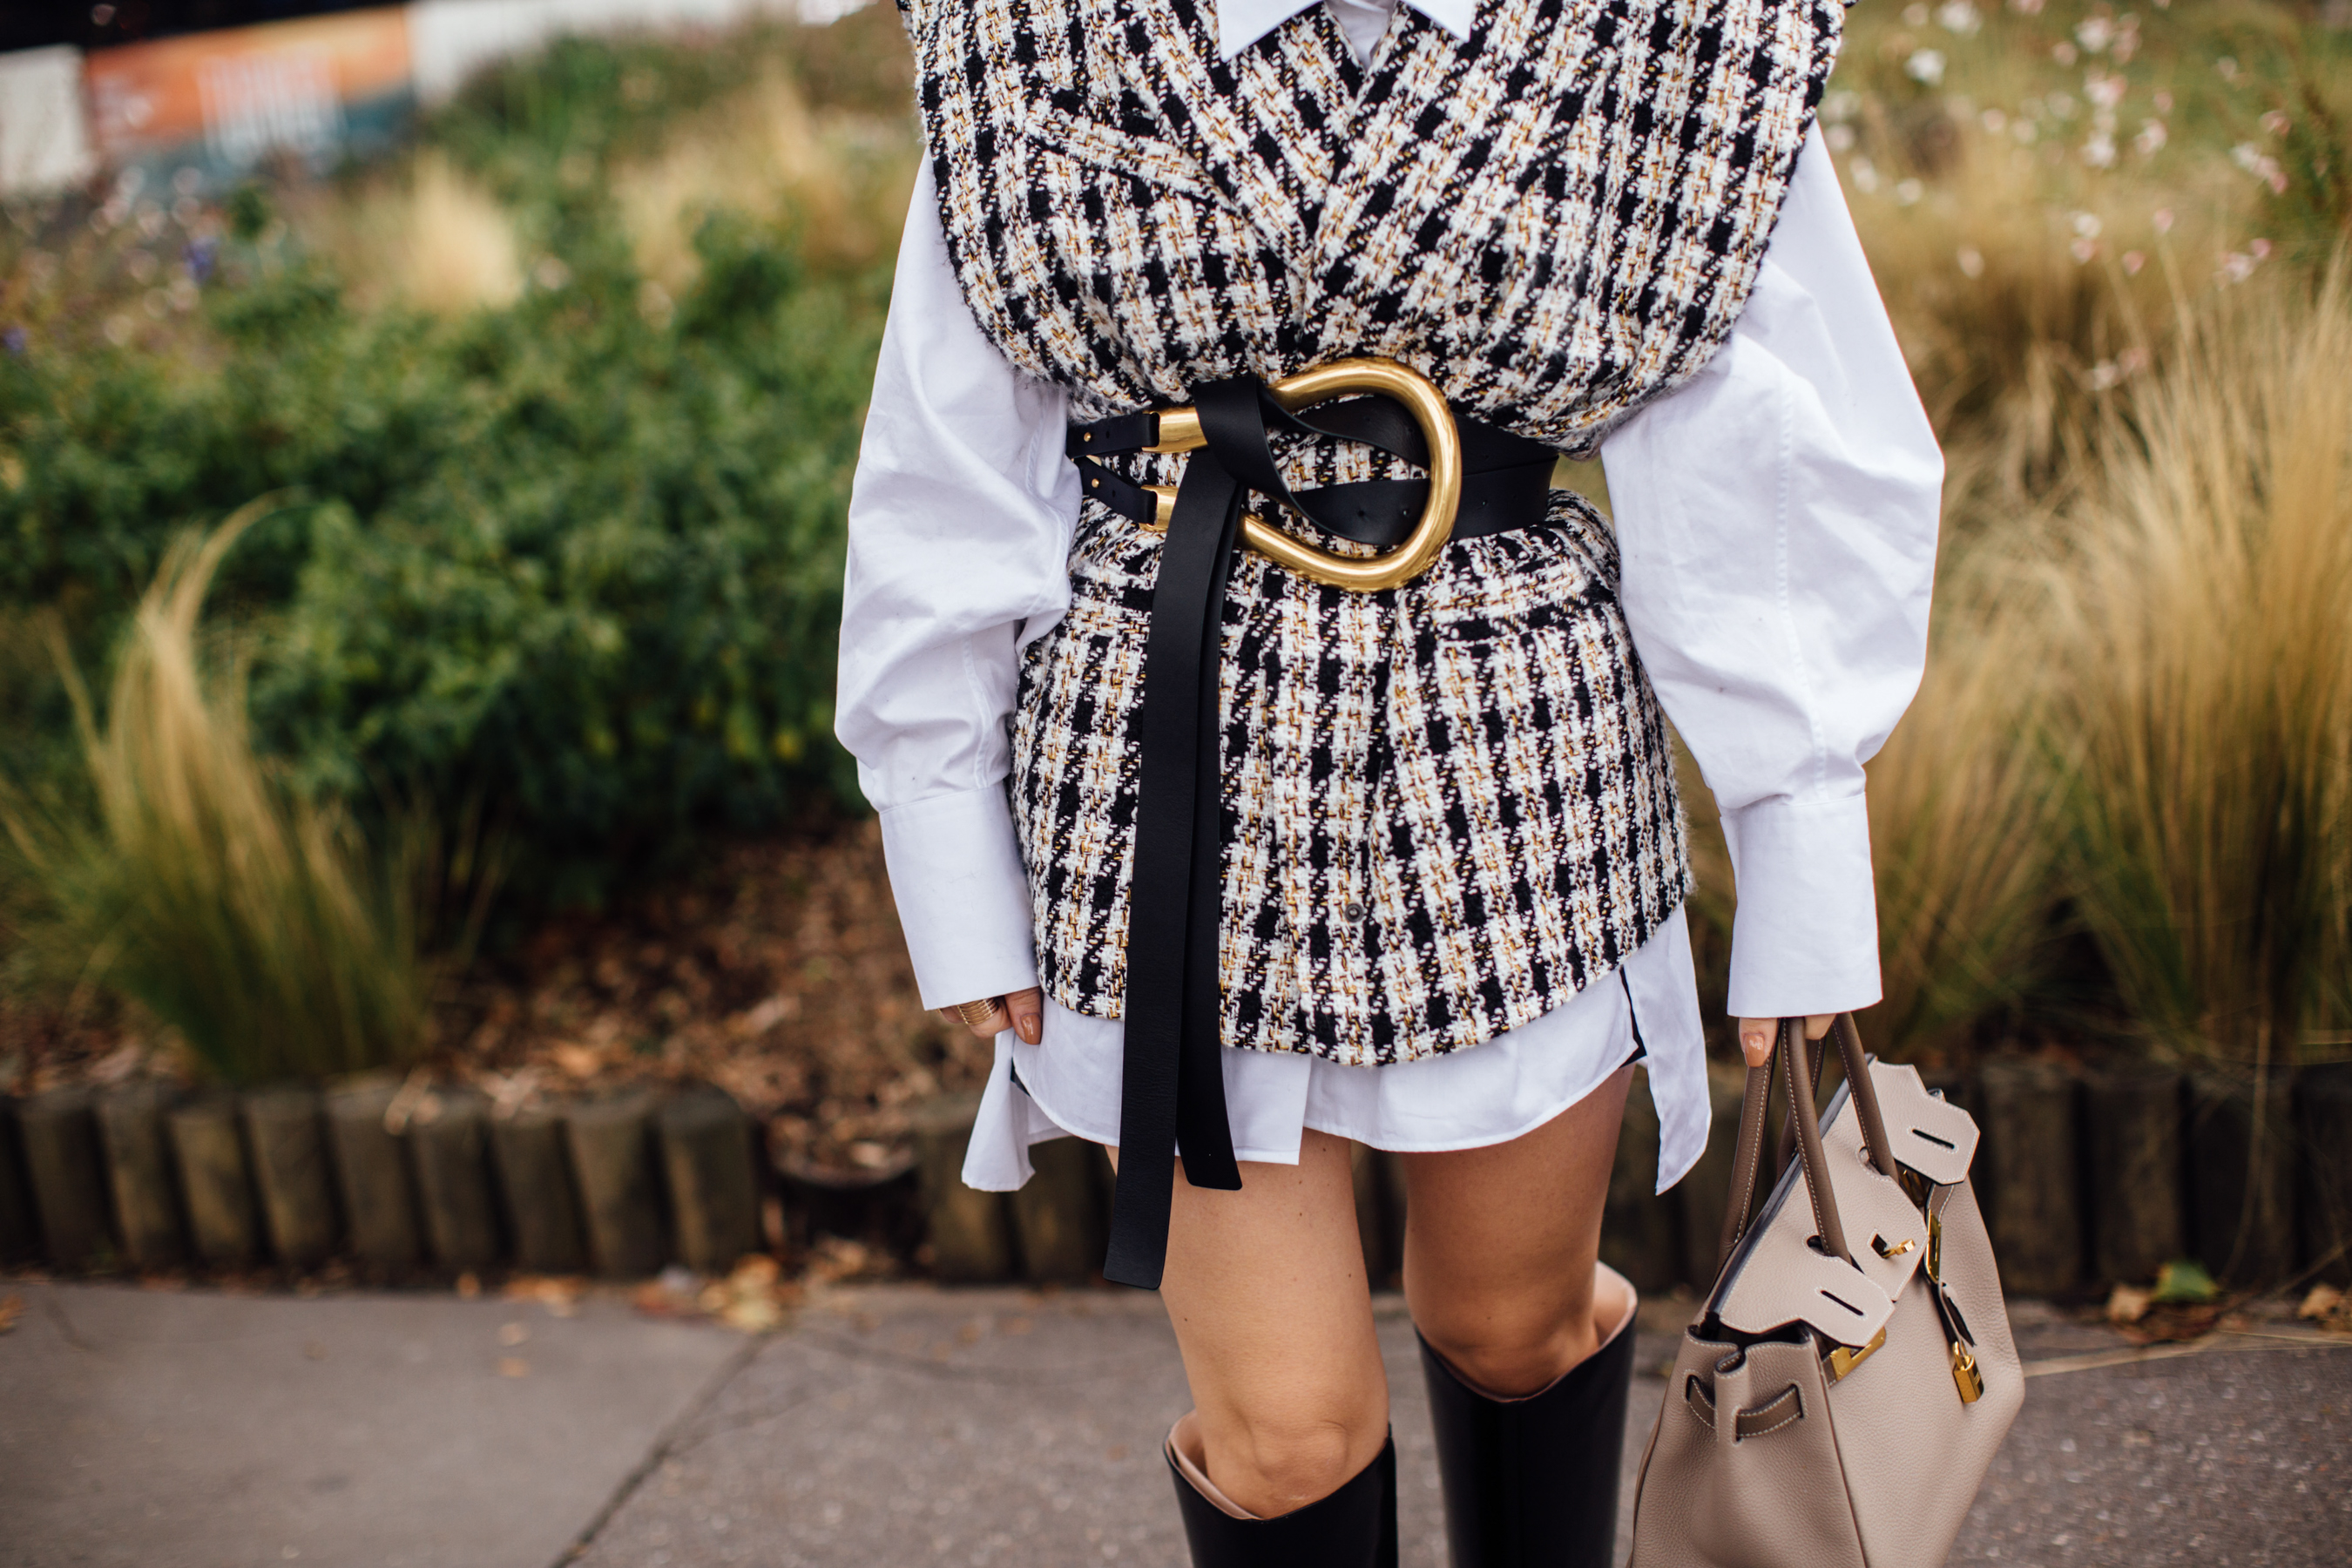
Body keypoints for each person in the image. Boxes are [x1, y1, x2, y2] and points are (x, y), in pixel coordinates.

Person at [835, 0, 1939, 1562]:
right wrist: (944, 830)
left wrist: (1802, 827)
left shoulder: (1682, 33)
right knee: (1281, 1436)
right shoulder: (1028, 26)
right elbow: (944, 453)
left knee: (1514, 1327)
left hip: (1516, 759)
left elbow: (1766, 443)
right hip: (1165, 753)